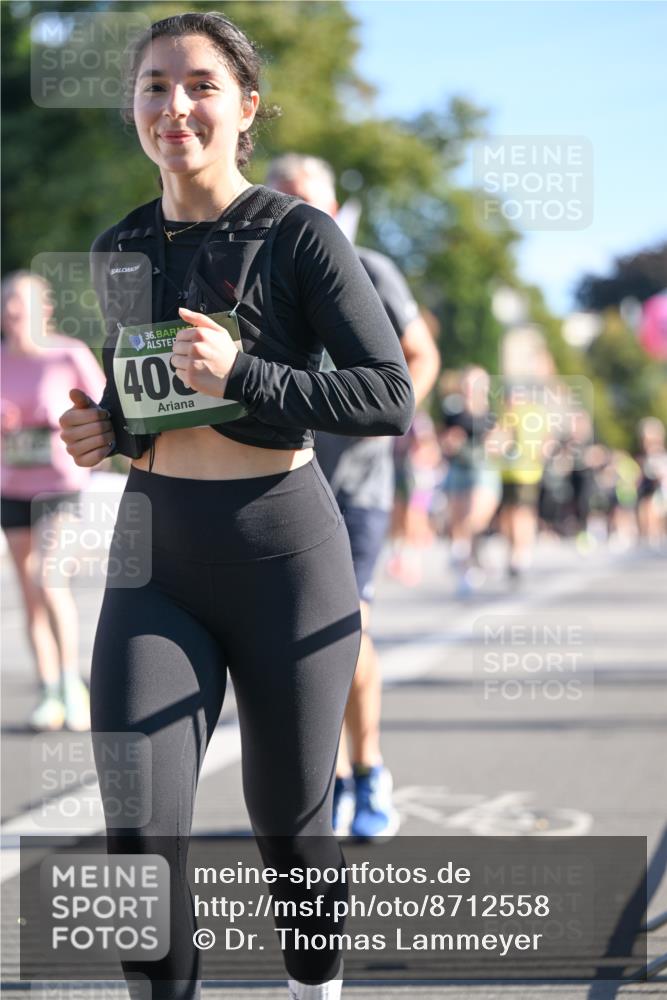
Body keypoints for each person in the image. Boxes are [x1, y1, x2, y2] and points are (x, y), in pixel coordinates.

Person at [58, 13, 414, 1000]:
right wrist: (105, 436)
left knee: (290, 829)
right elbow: (144, 411)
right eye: (155, 86)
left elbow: (388, 394)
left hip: (283, 555)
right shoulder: (119, 244)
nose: (176, 105)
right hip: (156, 556)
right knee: (138, 834)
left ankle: (315, 985)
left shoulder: (301, 235)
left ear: (245, 105)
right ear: (135, 107)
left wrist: (249, 371)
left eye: (201, 85)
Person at [266, 154, 440, 839]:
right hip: (280, 479)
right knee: (296, 642)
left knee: (348, 629)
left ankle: (366, 770)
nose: (294, 207)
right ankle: (331, 779)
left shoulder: (368, 267)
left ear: (333, 205)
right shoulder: (252, 275)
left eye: (306, 196)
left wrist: (384, 419)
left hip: (356, 483)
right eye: (280, 196)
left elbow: (419, 355)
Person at [1, 271, 105, 731]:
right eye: (6, 307)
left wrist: (60, 420)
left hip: (61, 483)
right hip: (11, 485)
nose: (12, 315)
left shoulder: (69, 354)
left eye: (20, 307)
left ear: (45, 311)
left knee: (49, 576)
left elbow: (103, 409)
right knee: (28, 590)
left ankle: (71, 684)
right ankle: (48, 690)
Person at [439, 366, 500, 596]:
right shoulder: (453, 411)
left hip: (483, 468)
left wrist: (496, 442)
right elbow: (444, 438)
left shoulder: (491, 413)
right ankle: (466, 570)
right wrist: (449, 441)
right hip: (459, 468)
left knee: (475, 516)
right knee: (458, 522)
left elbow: (501, 440)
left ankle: (476, 552)